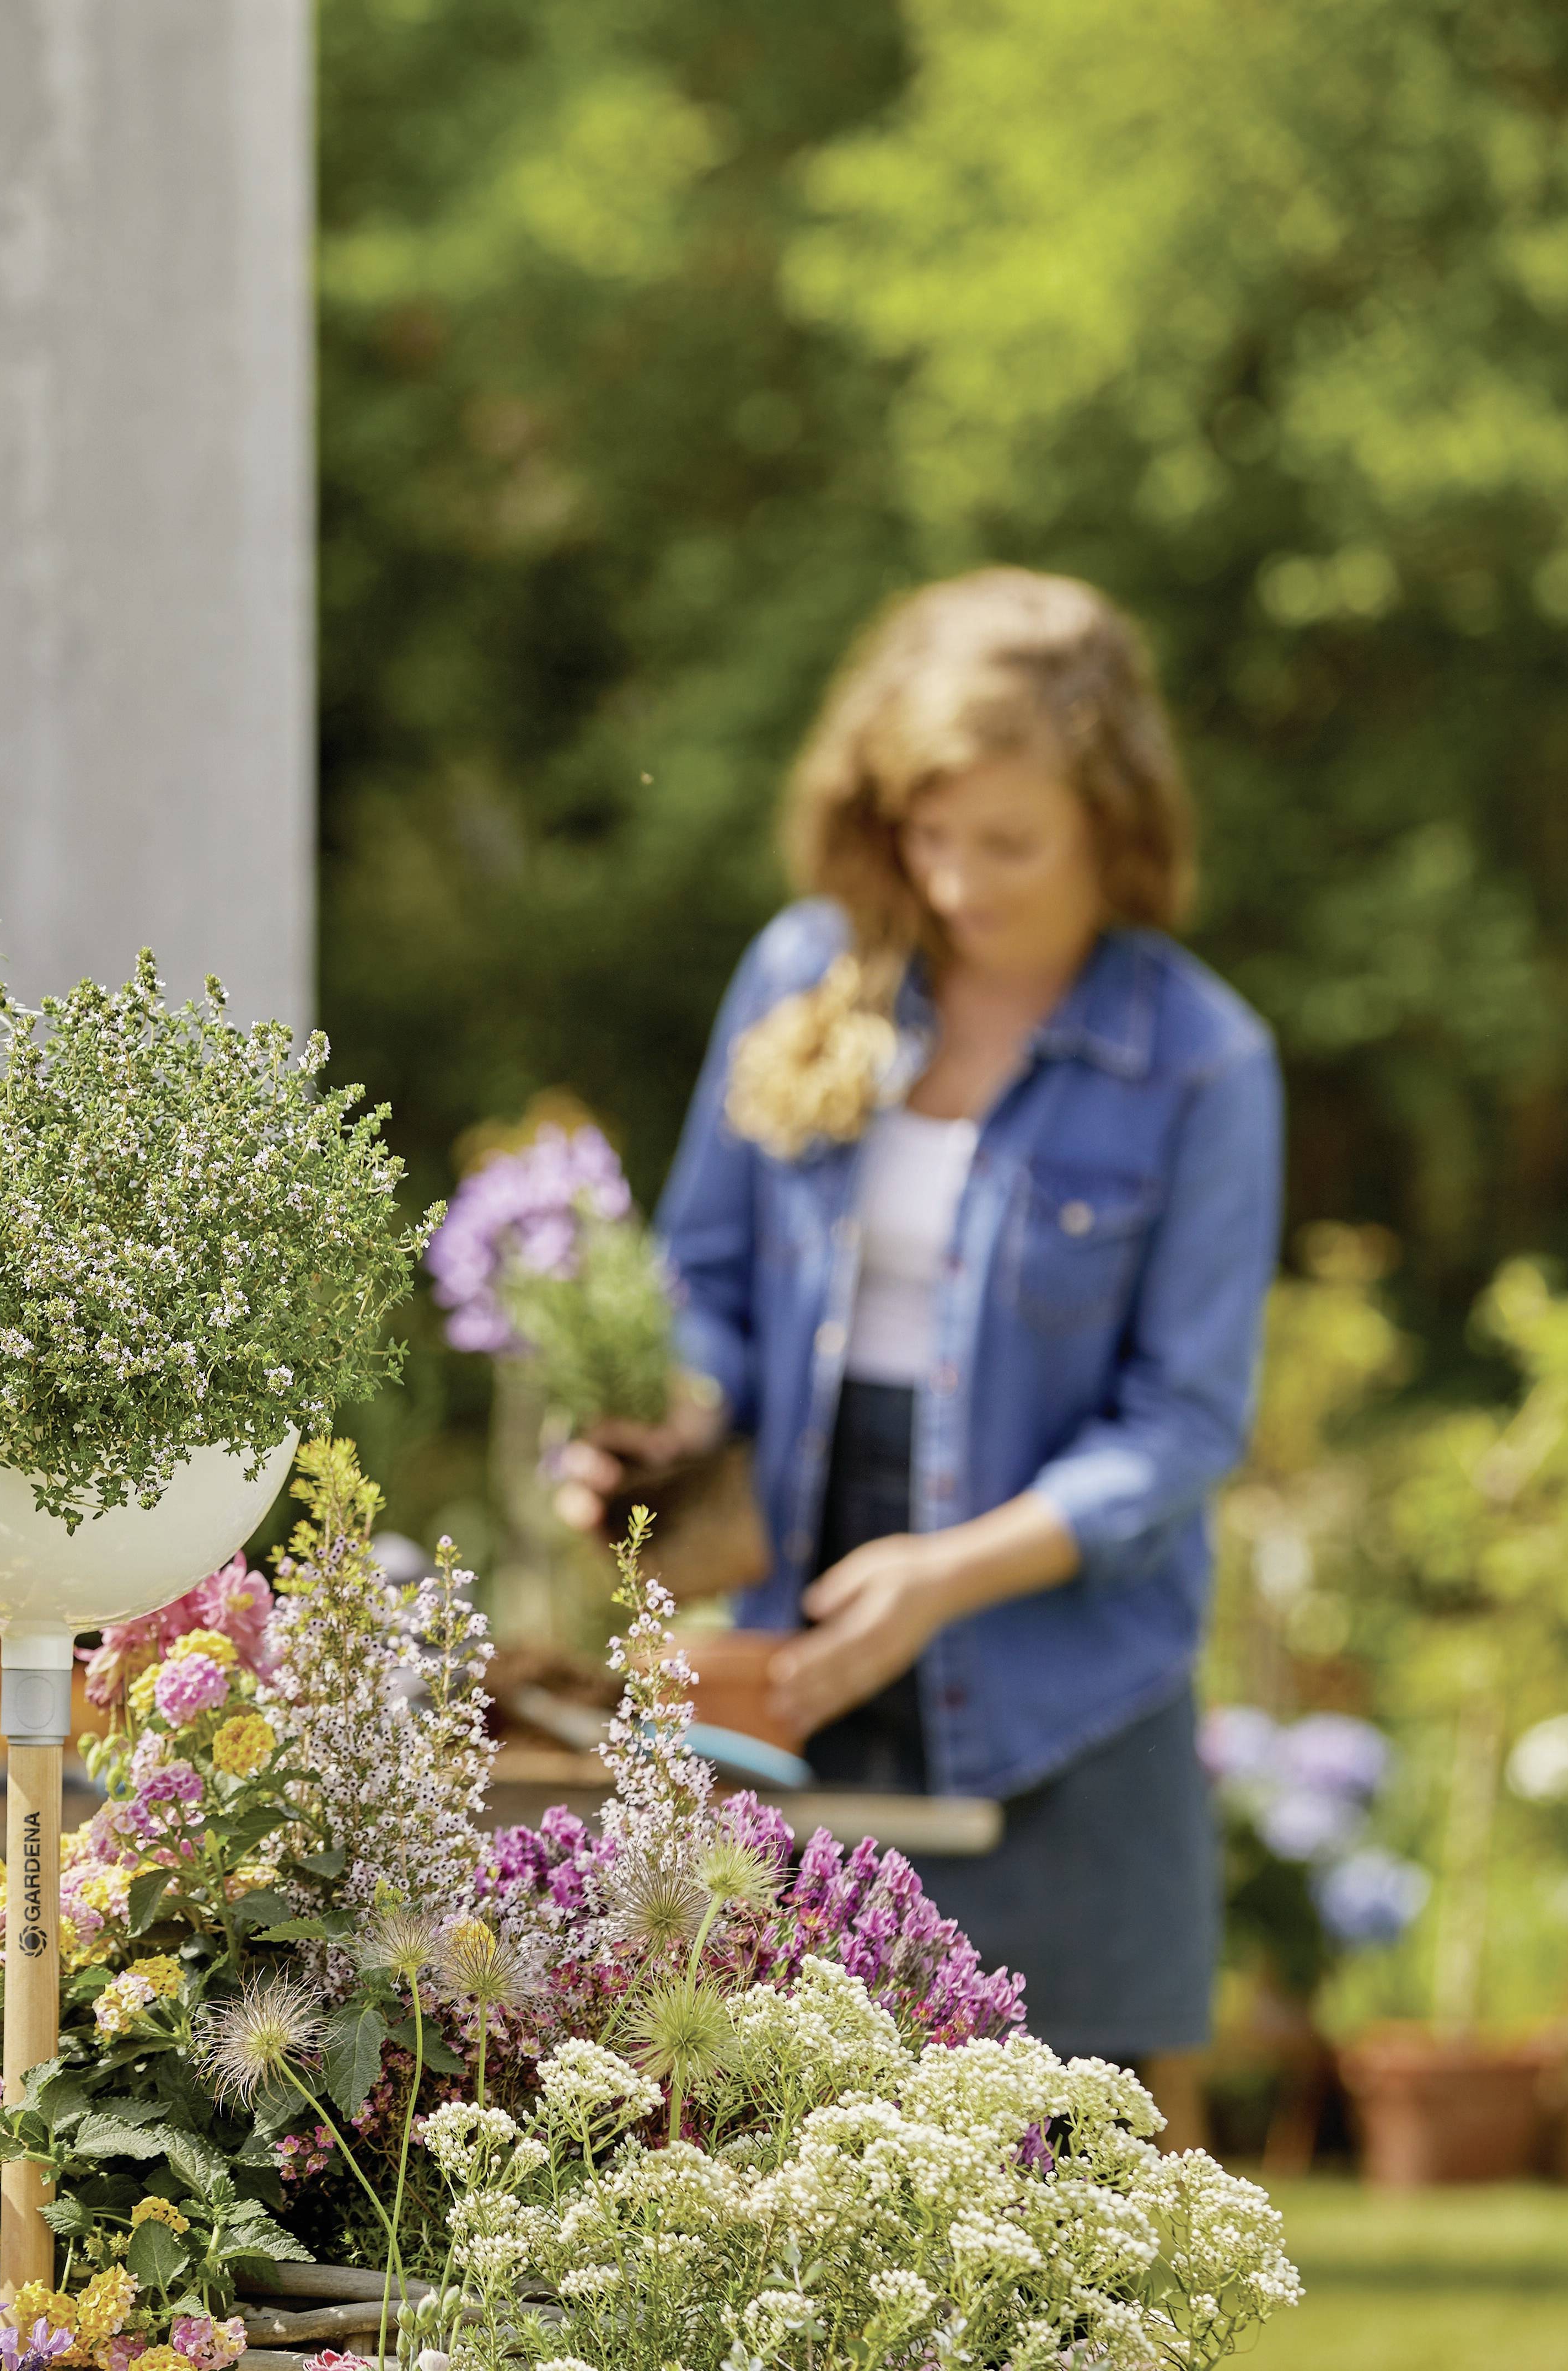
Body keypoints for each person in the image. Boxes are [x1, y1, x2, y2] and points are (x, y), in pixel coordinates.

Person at [557, 568, 1281, 2112]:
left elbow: (1183, 1424)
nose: (955, 880)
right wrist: (664, 1413)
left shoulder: (1201, 1062)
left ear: (1113, 819)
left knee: (1078, 2213)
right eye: (923, 831)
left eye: (1006, 840)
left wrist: (945, 1576)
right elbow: (708, 1280)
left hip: (1059, 1696)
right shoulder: (804, 975)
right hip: (799, 1664)